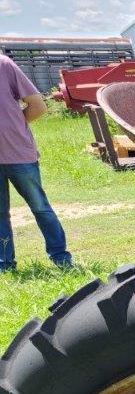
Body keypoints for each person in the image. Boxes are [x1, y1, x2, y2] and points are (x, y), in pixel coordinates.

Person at [1, 53, 73, 273]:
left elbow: (38, 106)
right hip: (17, 150)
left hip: (18, 153)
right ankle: (4, 265)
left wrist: (13, 126)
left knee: (40, 208)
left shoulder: (4, 64)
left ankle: (61, 258)